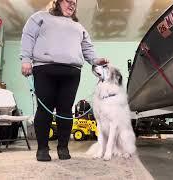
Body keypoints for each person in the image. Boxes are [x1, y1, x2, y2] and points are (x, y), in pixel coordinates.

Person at [20, 0, 108, 161]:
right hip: (45, 70)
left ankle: (63, 148)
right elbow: (28, 36)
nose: (72, 4)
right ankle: (42, 149)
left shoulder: (78, 27)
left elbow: (87, 49)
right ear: (58, 2)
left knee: (65, 111)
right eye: (68, 1)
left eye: (75, 2)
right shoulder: (40, 17)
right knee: (44, 110)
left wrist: (96, 60)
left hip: (71, 73)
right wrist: (26, 59)